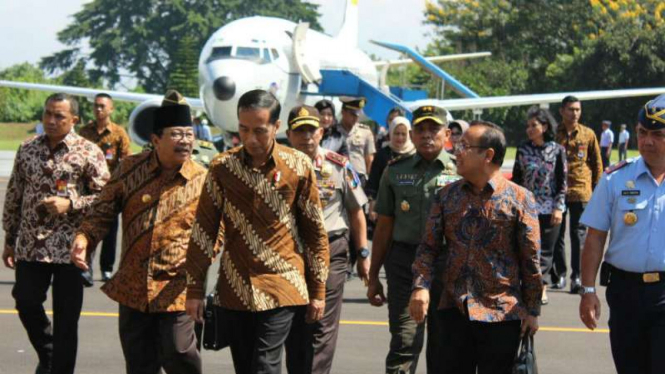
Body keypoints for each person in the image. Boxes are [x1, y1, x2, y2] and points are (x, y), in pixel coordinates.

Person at [184, 90, 330, 374]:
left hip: (283, 284)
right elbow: (204, 230)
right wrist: (194, 289)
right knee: (246, 365)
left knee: (265, 364)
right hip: (235, 288)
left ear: (276, 127)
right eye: (243, 129)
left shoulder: (298, 166)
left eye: (260, 131)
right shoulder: (221, 167)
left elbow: (315, 232)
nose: (251, 138)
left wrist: (318, 290)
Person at [71, 90, 205, 374]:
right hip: (133, 288)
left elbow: (215, 231)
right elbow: (102, 210)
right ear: (155, 140)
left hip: (177, 290)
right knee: (140, 365)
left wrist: (198, 261)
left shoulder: (203, 180)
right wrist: (84, 238)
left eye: (188, 134)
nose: (185, 140)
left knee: (180, 353)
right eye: (176, 134)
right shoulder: (130, 170)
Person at [409, 120, 543, 374]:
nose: (456, 151)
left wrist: (533, 309)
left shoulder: (520, 198)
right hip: (452, 311)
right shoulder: (447, 196)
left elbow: (531, 259)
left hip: (502, 314)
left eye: (464, 146)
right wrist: (420, 287)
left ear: (488, 155)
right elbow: (428, 248)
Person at [2, 93, 109, 374]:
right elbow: (14, 194)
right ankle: (48, 352)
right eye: (47, 113)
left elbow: (105, 197)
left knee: (66, 320)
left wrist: (71, 203)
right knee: (25, 300)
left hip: (70, 248)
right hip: (31, 244)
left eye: (59, 116)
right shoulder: (27, 149)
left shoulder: (89, 152)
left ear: (74, 120)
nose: (51, 120)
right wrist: (9, 238)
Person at [367, 105, 458, 374]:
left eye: (434, 129)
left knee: (445, 346)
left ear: (447, 133)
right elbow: (384, 227)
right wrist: (373, 277)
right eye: (420, 129)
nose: (427, 135)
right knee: (404, 341)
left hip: (448, 265)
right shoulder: (394, 171)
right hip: (405, 263)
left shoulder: (462, 169)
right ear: (412, 134)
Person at [579, 96, 665, 374]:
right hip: (626, 293)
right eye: (643, 133)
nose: (648, 141)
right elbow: (595, 237)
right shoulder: (615, 179)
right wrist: (588, 290)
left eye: (658, 135)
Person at [283, 105, 369, 374]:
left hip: (332, 248)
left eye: (311, 130)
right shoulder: (278, 165)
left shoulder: (339, 165)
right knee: (294, 323)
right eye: (299, 131)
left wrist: (363, 254)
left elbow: (356, 213)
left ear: (321, 132)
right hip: (289, 251)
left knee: (322, 325)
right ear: (288, 134)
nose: (306, 137)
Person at [512, 107, 567, 304]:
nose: (529, 129)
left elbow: (562, 182)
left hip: (549, 209)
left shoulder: (557, 150)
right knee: (527, 248)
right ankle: (528, 285)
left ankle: (541, 286)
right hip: (526, 208)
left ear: (544, 127)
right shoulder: (523, 149)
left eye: (534, 125)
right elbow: (517, 179)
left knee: (545, 251)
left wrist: (558, 207)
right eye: (528, 126)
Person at [78, 93, 132, 282]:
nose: (98, 109)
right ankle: (85, 268)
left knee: (110, 233)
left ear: (111, 109)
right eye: (96, 106)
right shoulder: (84, 132)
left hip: (111, 190)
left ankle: (107, 269)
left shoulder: (119, 133)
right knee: (87, 229)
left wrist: (120, 187)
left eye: (102, 106)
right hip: (88, 190)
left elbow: (126, 162)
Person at [552, 96, 603, 293]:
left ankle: (577, 276)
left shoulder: (588, 134)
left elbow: (597, 163)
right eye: (571, 109)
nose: (575, 113)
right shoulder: (554, 133)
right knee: (556, 235)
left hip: (581, 190)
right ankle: (560, 274)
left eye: (577, 110)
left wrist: (598, 190)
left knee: (578, 235)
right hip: (557, 191)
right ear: (562, 111)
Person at [366, 116, 416, 223]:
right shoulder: (383, 154)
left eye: (403, 134)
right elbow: (373, 181)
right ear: (390, 133)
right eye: (396, 133)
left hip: (411, 206)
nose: (400, 137)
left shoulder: (415, 154)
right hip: (385, 206)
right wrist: (372, 204)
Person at [336, 97, 376, 185]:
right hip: (337, 176)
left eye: (357, 115)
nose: (355, 118)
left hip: (359, 178)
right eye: (352, 114)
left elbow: (369, 159)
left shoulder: (365, 132)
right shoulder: (334, 131)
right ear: (343, 112)